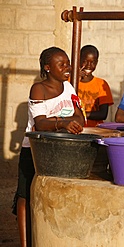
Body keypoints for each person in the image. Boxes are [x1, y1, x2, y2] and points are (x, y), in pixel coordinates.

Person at [12, 47, 85, 247]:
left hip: (60, 149)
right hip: (35, 149)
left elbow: (81, 117)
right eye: (61, 64)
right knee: (25, 194)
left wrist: (61, 121)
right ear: (47, 68)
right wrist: (63, 123)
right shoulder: (39, 89)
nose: (67, 68)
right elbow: (40, 123)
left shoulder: (69, 88)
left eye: (68, 63)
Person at [78, 45, 114, 127]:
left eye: (93, 62)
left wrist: (80, 115)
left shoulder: (101, 84)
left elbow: (103, 114)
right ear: (78, 60)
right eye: (85, 61)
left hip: (94, 130)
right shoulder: (69, 81)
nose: (88, 65)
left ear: (97, 62)